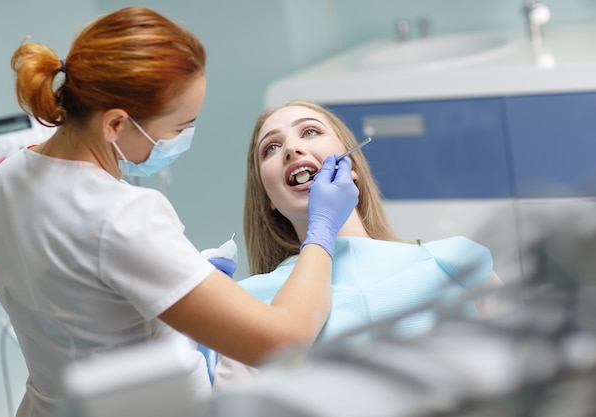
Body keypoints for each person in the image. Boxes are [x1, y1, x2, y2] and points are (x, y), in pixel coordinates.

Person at [0, 9, 359, 417]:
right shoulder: (124, 217)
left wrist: (175, 278)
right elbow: (281, 343)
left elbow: (84, 304)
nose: (182, 139)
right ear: (116, 124)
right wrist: (321, 229)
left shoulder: (6, 178)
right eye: (179, 127)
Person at [213, 99, 503, 389]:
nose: (291, 149)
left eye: (310, 132)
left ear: (352, 166)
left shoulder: (455, 264)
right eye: (271, 148)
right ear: (269, 200)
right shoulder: (249, 307)